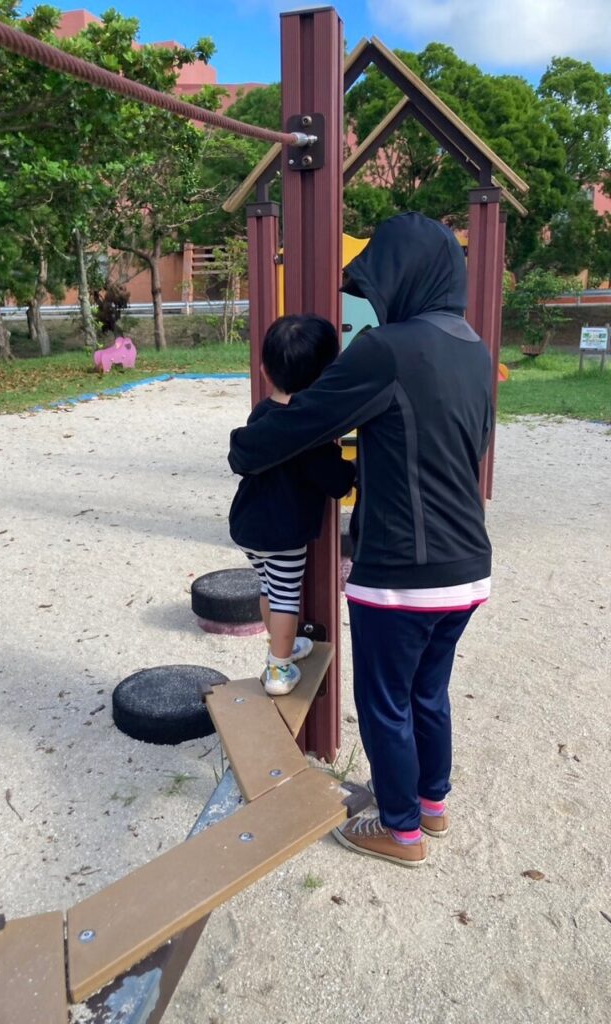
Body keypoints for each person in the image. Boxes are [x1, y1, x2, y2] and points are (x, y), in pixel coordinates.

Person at [229, 213, 493, 867]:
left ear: (404, 275)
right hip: (467, 565)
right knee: (427, 693)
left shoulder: (387, 349)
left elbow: (305, 420)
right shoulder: (473, 348)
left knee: (384, 705)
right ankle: (429, 804)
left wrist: (244, 446)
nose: (372, 300)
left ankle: (399, 830)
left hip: (401, 569)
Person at [228, 314, 356, 696]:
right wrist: (354, 471)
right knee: (286, 598)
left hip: (247, 524)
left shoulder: (261, 414)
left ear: (265, 371)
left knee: (268, 589)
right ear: (325, 378)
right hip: (281, 532)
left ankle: (282, 647)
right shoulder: (308, 431)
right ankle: (278, 670)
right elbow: (335, 480)